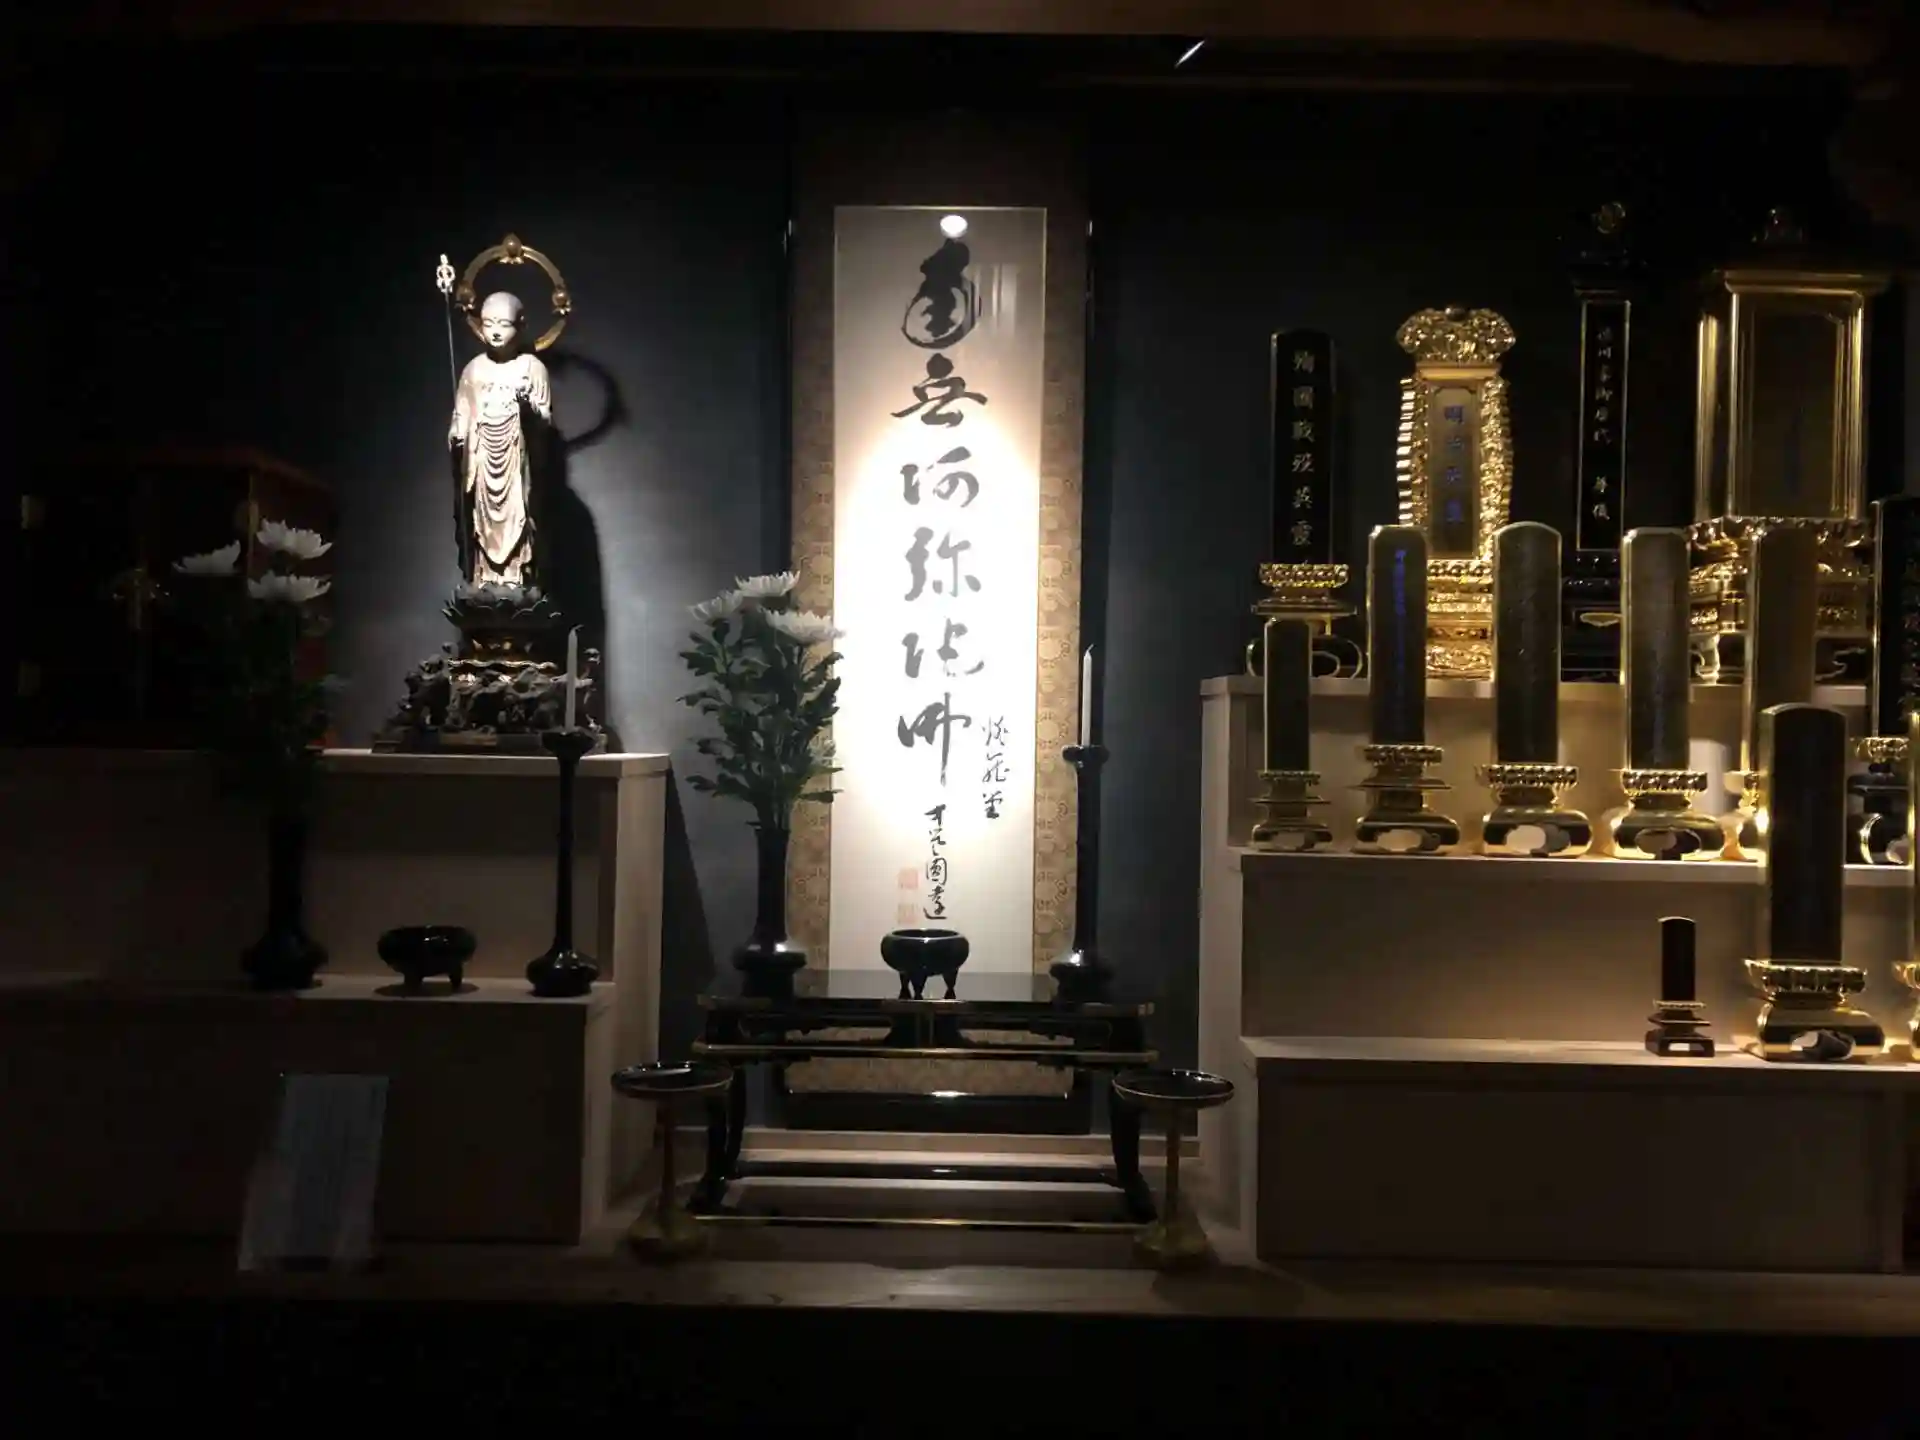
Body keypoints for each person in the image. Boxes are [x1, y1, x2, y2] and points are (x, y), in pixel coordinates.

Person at [448, 291, 550, 586]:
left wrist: (528, 408)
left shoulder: (532, 368)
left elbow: (545, 421)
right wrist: (457, 436)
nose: (494, 331)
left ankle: (518, 577)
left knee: (520, 517)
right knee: (481, 522)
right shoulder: (473, 370)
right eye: (488, 323)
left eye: (503, 324)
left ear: (521, 325)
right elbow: (461, 414)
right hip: (481, 460)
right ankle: (486, 579)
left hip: (516, 461)